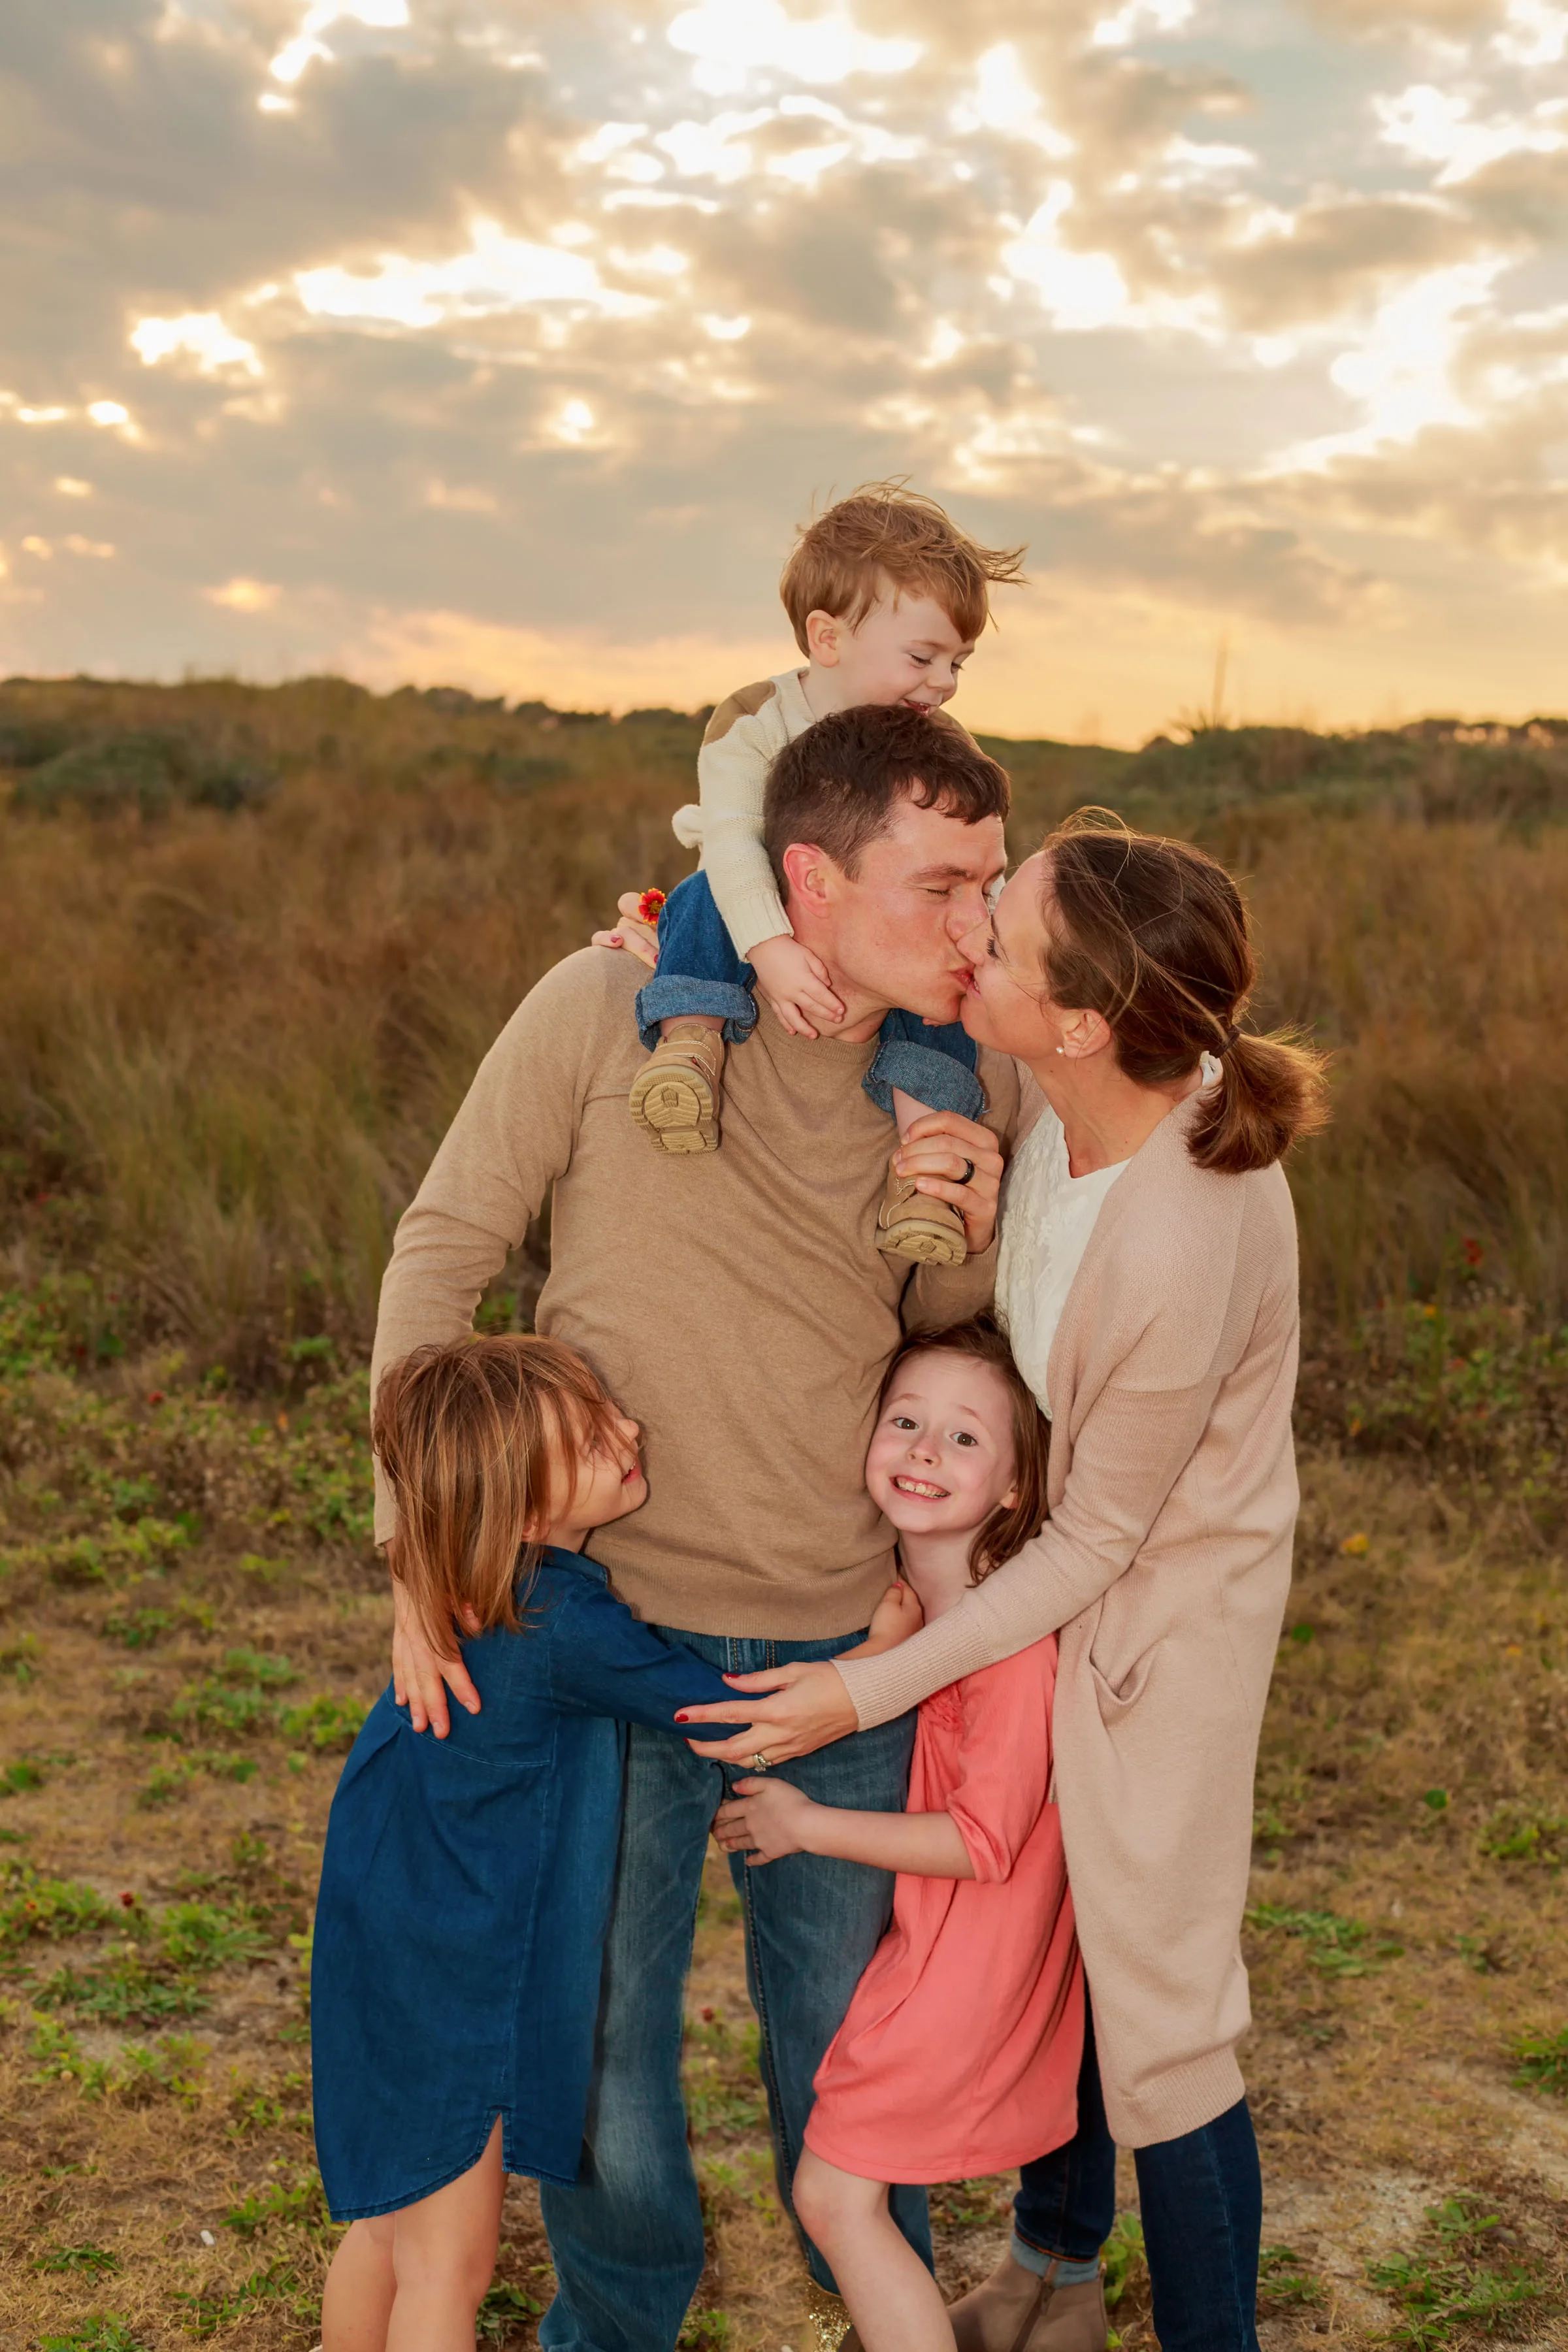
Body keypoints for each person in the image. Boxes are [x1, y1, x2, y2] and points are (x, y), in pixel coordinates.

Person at [370, 703, 1023, 2352]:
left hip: (842, 1649)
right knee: (595, 2042)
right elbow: (441, 1251)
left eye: (991, 886)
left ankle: (874, 2307)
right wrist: (422, 1560)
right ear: (808, 878)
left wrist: (967, 1213)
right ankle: (616, 2320)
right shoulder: (609, 1002)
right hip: (599, 1632)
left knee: (852, 2041)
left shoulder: (967, 1070)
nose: (979, 926)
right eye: (942, 886)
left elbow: (939, 1341)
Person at [677, 812, 1331, 2352]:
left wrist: (860, 1690)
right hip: (1044, 1588)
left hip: (1157, 1635)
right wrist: (672, 944)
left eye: (1004, 932)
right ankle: (1054, 2275)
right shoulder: (1056, 1088)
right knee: (1055, 1934)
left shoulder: (1181, 1229)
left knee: (1162, 2015)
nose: (968, 933)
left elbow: (1101, 1542)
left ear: (1085, 1021)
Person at [312, 1335, 762, 2349]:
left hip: (384, 1929)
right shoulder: (557, 1617)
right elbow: (722, 1711)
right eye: (593, 1438)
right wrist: (874, 1663)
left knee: (389, 2226)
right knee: (449, 2268)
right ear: (520, 1511)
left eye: (609, 1412)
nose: (631, 1431)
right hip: (457, 1970)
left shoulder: (467, 1591)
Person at [711, 1319, 1084, 2352]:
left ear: (1016, 1485)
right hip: (933, 1948)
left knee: (834, 2197)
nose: (925, 1451)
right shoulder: (916, 1602)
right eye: (905, 1422)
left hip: (969, 1967)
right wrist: (884, 1647)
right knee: (837, 2195)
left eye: (965, 1438)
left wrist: (806, 1824)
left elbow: (985, 1843)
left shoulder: (1010, 1640)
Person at [627, 481, 1025, 1267]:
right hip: (748, 899)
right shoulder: (755, 718)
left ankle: (924, 1163)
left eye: (958, 662)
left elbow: (973, 867)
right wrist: (770, 947)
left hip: (874, 936)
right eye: (923, 657)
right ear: (828, 637)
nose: (944, 683)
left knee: (934, 985)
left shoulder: (942, 740)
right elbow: (734, 842)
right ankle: (690, 1043)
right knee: (704, 893)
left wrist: (998, 938)